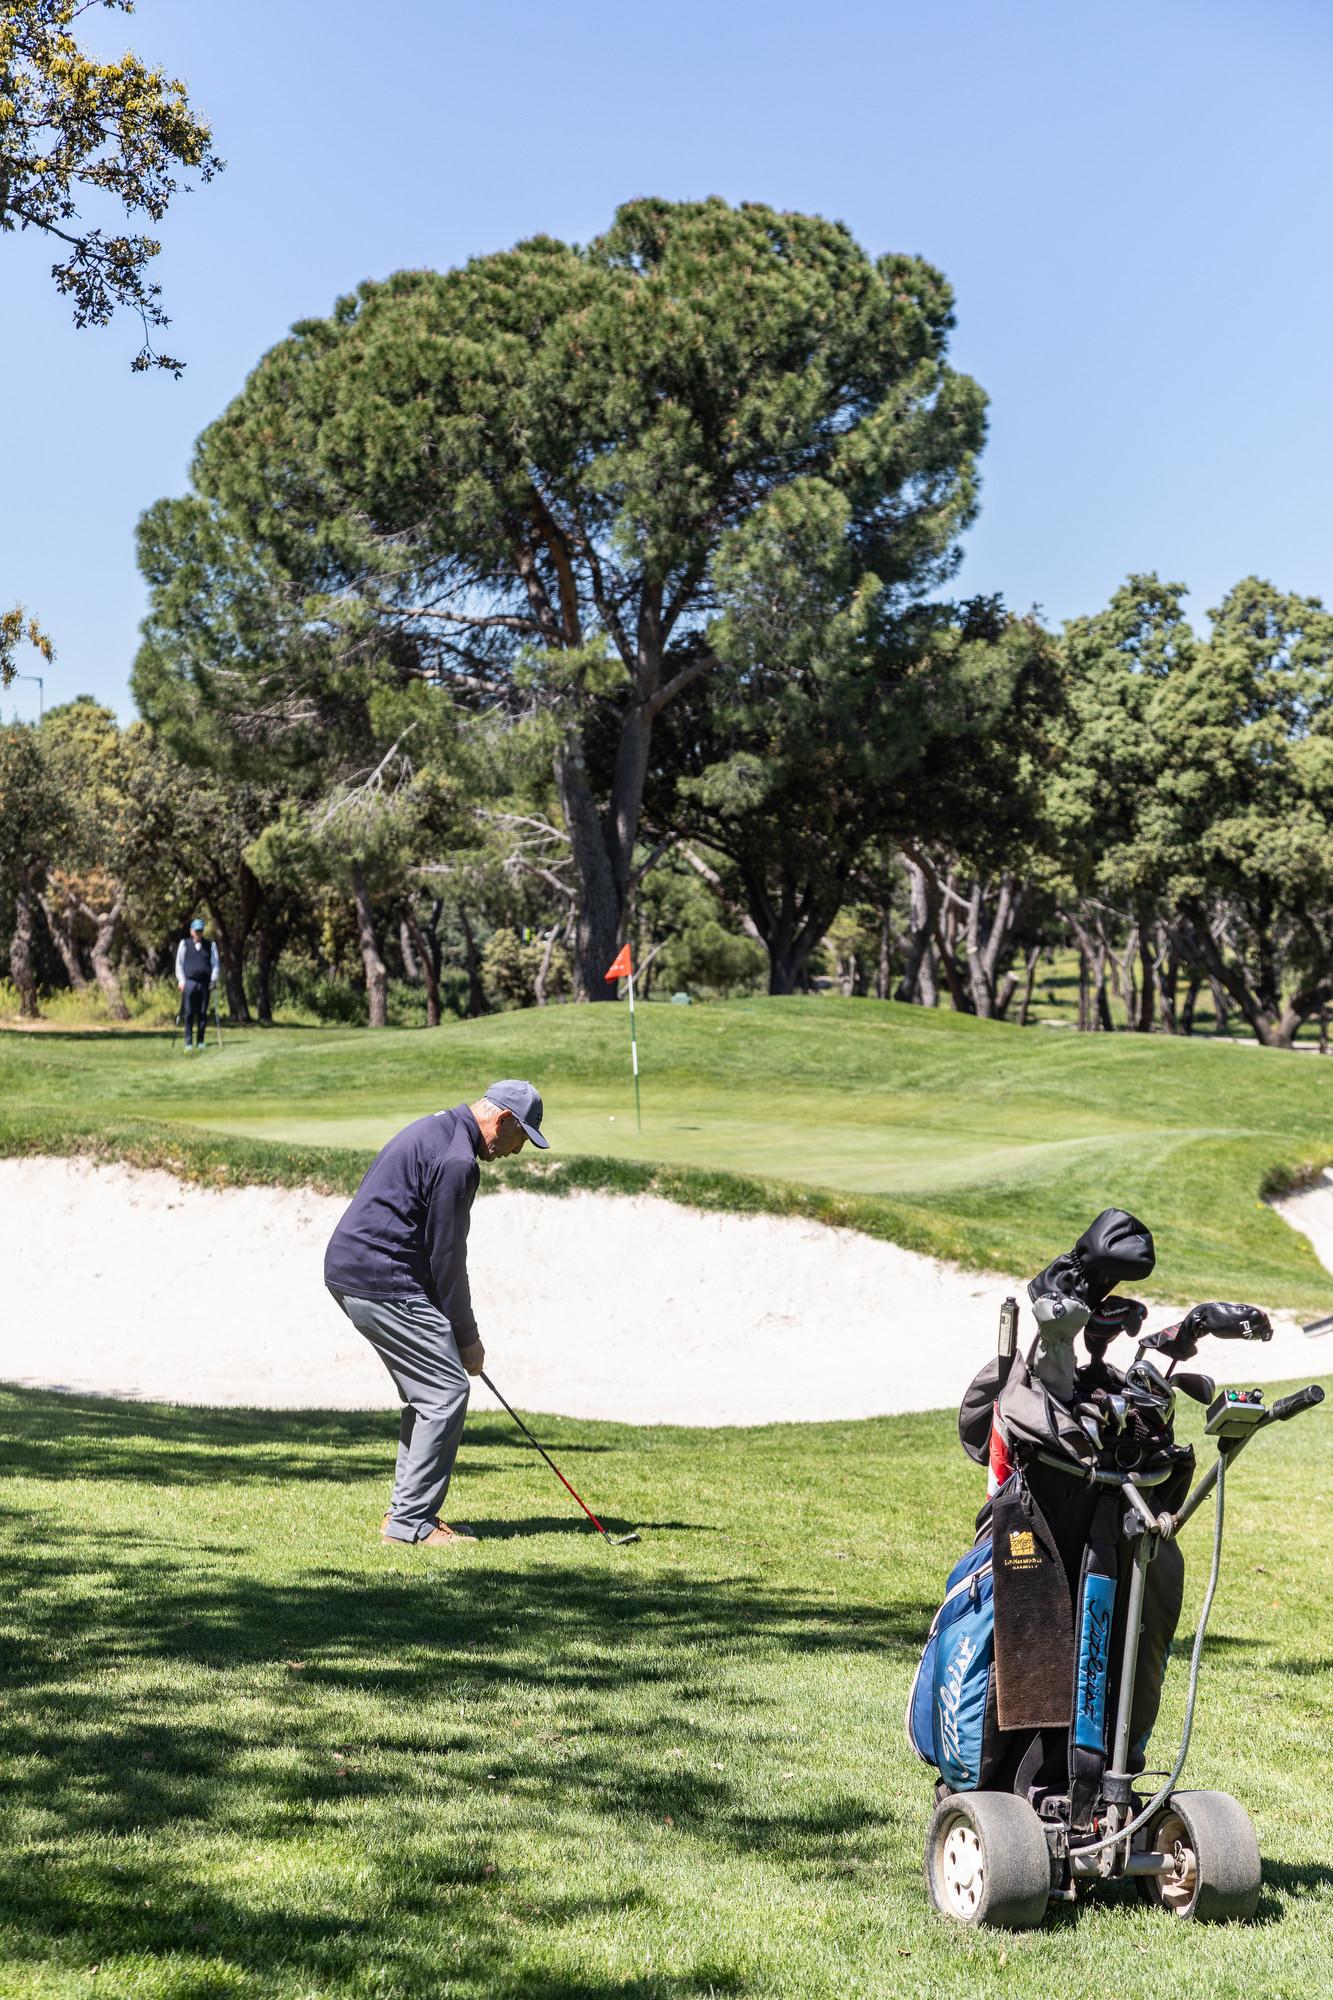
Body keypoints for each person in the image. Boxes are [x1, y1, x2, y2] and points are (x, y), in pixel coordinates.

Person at [324, 1080, 548, 1547]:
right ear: (503, 1120)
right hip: (378, 1275)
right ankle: (410, 1526)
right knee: (445, 1390)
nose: (517, 1150)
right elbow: (447, 1257)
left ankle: (405, 1515)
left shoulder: (436, 1129)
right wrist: (466, 1336)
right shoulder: (459, 1160)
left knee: (429, 1393)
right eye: (521, 1137)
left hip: (357, 1268)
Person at [175, 917, 219, 1051]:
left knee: (202, 1012)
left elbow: (215, 964)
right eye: (196, 930)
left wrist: (213, 980)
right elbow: (179, 963)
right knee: (188, 1013)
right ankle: (188, 1042)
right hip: (189, 982)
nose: (199, 933)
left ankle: (200, 1041)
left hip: (205, 983)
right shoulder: (184, 944)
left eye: (201, 930)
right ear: (191, 931)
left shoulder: (210, 945)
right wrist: (181, 980)